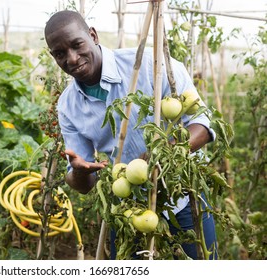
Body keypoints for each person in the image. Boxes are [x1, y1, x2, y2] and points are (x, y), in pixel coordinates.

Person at [44, 10, 218, 260]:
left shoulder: (149, 65)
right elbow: (81, 182)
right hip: (128, 211)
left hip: (184, 199)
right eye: (60, 54)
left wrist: (163, 152)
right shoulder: (67, 106)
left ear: (93, 35)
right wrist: (80, 172)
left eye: (77, 44)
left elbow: (202, 124)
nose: (71, 59)